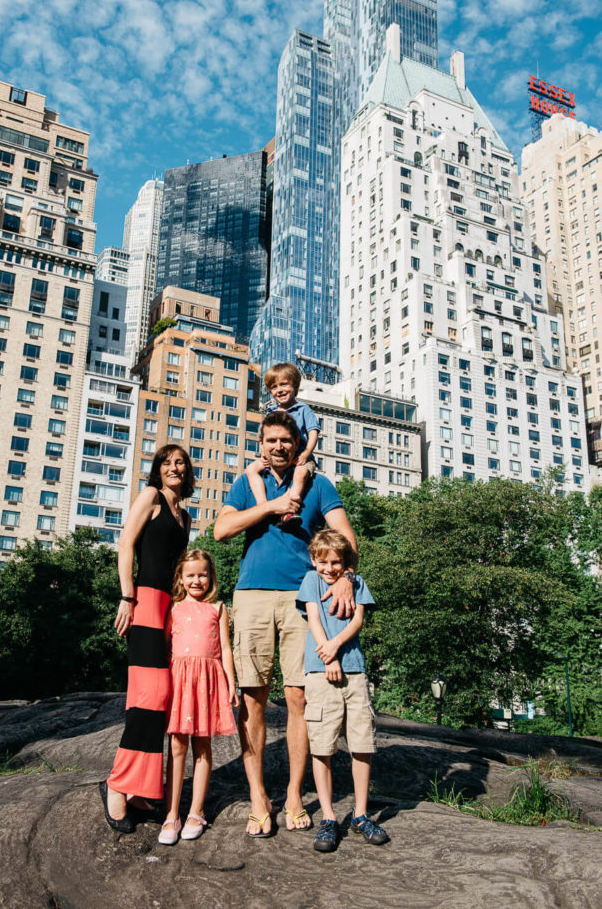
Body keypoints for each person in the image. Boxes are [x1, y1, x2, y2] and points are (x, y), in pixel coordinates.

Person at [214, 410, 358, 837]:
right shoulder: (247, 483)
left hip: (303, 600)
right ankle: (259, 796)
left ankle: (294, 793)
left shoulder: (318, 484)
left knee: (299, 698)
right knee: (252, 698)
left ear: (298, 443)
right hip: (253, 595)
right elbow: (221, 529)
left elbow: (347, 539)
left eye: (286, 440)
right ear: (261, 444)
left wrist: (347, 578)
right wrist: (270, 506)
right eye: (271, 440)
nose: (278, 446)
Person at [99, 445, 193, 834]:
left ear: (188, 473)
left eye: (180, 463)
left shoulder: (185, 517)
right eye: (167, 463)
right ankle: (118, 785)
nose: (174, 468)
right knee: (148, 697)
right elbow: (125, 545)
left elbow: (180, 572)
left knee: (163, 700)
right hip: (146, 605)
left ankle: (141, 789)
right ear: (157, 470)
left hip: (171, 609)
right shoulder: (150, 497)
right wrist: (127, 596)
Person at [296, 529, 388, 853]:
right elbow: (314, 620)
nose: (330, 568)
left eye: (337, 562)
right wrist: (327, 653)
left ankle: (361, 814)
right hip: (320, 670)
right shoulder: (310, 581)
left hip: (353, 669)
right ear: (314, 560)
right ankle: (329, 817)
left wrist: (336, 647)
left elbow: (357, 620)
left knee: (362, 743)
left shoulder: (357, 582)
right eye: (324, 562)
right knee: (322, 746)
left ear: (345, 561)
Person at [158, 549, 239, 845]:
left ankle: (196, 811)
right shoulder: (174, 608)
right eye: (190, 575)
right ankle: (171, 814)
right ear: (180, 577)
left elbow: (226, 649)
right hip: (180, 682)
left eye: (202, 574)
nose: (197, 580)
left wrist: (231, 683)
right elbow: (165, 647)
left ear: (211, 576)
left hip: (208, 682)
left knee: (202, 746)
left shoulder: (218, 608)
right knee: (177, 745)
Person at [246, 363, 319, 524]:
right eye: (274, 387)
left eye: (284, 384)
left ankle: (290, 508)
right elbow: (262, 436)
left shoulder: (303, 409)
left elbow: (314, 433)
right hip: (276, 458)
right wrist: (263, 453)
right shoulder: (270, 411)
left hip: (300, 458)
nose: (279, 390)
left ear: (295, 385)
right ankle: (263, 506)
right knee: (251, 469)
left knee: (300, 474)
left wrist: (305, 454)